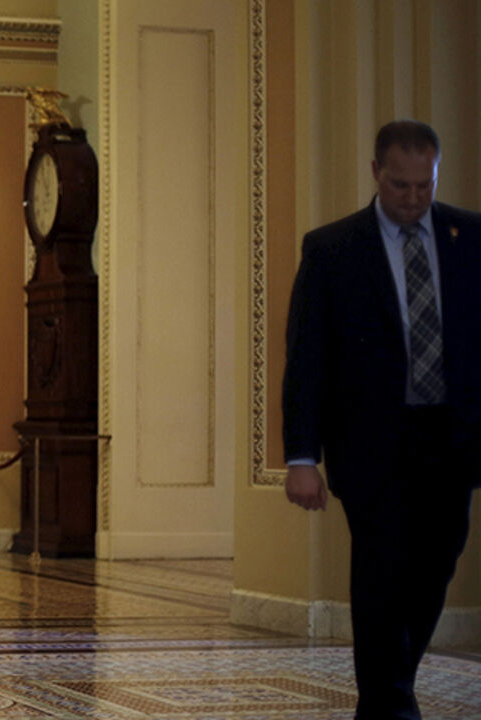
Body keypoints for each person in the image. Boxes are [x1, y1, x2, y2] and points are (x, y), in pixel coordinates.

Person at [283, 120, 481, 719]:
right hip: (372, 446)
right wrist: (301, 458)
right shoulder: (333, 249)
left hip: (451, 440)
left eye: (425, 185)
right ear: (376, 173)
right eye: (401, 185)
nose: (414, 198)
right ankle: (391, 705)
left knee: (436, 565)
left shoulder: (468, 237)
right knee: (380, 575)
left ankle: (388, 692)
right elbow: (307, 357)